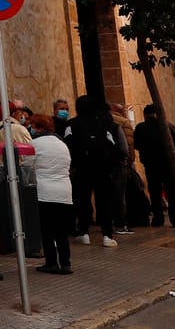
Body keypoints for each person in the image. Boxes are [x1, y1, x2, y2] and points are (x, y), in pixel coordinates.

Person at [64, 95, 126, 247]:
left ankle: (84, 232)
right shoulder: (105, 124)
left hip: (81, 169)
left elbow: (67, 147)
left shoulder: (71, 125)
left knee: (82, 200)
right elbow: (114, 147)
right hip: (103, 169)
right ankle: (107, 235)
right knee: (104, 201)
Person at [28, 114, 75, 274]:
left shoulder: (34, 144)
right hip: (64, 192)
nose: (31, 129)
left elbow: (26, 165)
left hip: (44, 192)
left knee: (47, 230)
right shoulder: (61, 143)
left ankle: (51, 262)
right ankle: (66, 262)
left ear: (39, 127)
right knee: (61, 230)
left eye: (33, 125)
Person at [134, 104, 175, 228]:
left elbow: (136, 145)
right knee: (172, 193)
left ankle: (158, 219)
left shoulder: (141, 127)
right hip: (169, 166)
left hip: (151, 165)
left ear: (145, 115)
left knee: (155, 193)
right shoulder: (169, 126)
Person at [108, 103, 136, 235]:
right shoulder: (123, 122)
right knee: (120, 195)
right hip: (120, 164)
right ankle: (121, 223)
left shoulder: (99, 122)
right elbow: (129, 144)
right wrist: (130, 161)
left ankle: (108, 222)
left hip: (104, 164)